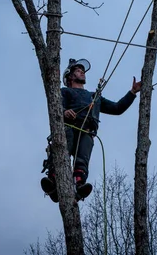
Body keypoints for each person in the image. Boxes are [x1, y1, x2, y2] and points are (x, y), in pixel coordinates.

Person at [41, 58, 142, 202]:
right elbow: (55, 107)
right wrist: (64, 112)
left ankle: (79, 183)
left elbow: (117, 108)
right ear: (70, 77)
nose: (82, 72)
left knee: (82, 157)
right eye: (78, 71)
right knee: (63, 149)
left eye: (83, 71)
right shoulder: (65, 92)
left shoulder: (94, 97)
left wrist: (132, 92)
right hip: (69, 128)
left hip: (87, 131)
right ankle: (53, 178)